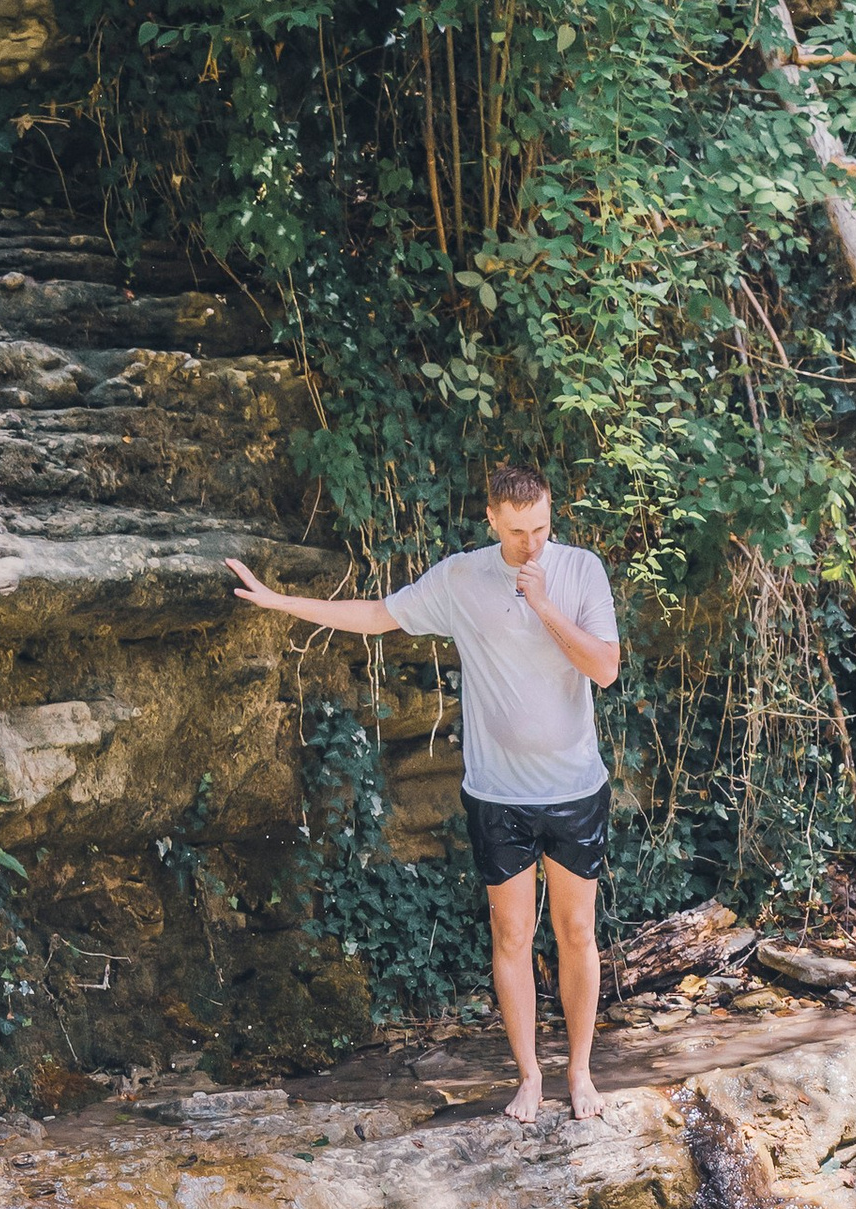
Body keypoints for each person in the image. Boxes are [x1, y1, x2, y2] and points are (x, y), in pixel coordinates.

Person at [227, 465, 620, 1126]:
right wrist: (281, 602)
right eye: (519, 530)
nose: (532, 543)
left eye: (542, 528)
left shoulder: (580, 571)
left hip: (575, 787)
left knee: (576, 930)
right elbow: (380, 615)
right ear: (491, 519)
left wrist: (545, 604)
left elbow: (605, 670)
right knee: (512, 932)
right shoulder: (461, 578)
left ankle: (579, 1072)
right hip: (497, 794)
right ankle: (529, 1075)